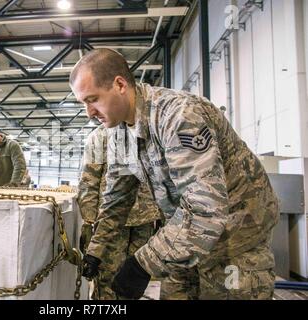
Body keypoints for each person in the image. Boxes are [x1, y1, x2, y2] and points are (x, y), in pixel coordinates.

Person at [70, 49, 279, 300]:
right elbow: (117, 201)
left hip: (236, 240)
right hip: (183, 238)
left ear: (120, 85)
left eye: (92, 99)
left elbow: (206, 210)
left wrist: (142, 263)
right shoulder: (119, 134)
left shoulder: (178, 115)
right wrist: (97, 250)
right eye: (83, 103)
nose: (88, 113)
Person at [78, 124, 163, 300]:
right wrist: (88, 221)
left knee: (133, 280)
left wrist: (161, 216)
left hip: (145, 218)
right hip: (111, 222)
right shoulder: (99, 136)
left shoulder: (146, 131)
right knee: (107, 279)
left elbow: (159, 177)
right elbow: (89, 181)